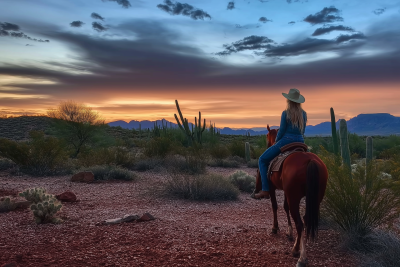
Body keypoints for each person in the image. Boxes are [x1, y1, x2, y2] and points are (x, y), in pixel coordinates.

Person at [253, 88, 307, 199]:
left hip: (286, 141)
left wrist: (277, 141)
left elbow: (281, 130)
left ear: (289, 100)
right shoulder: (304, 114)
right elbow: (303, 131)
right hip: (301, 141)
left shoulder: (286, 113)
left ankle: (265, 190)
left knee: (262, 160)